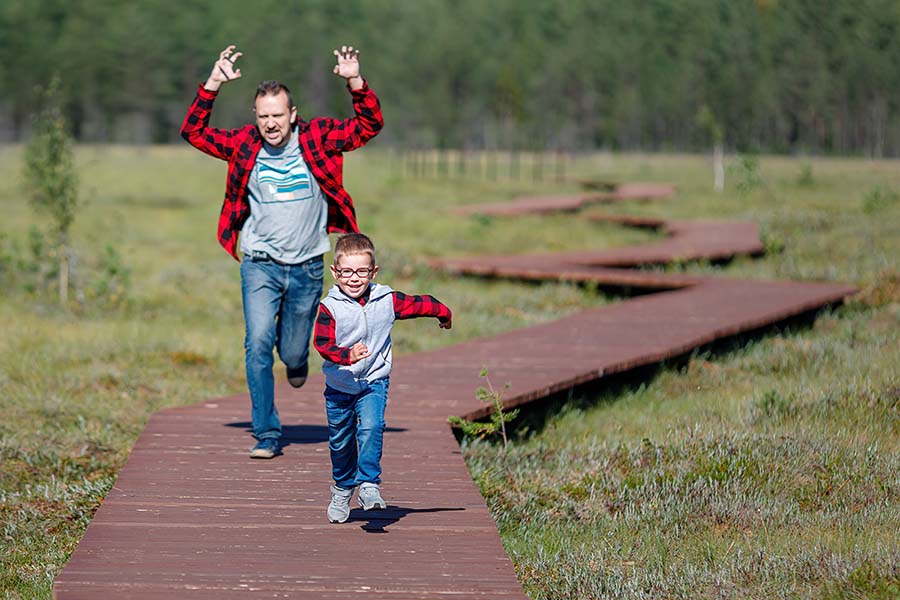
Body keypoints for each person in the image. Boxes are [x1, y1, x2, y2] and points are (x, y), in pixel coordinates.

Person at [180, 45, 383, 459]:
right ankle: (267, 433)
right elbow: (195, 132)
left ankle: (294, 361)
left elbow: (368, 126)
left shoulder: (318, 138)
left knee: (292, 350)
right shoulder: (244, 144)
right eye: (263, 116)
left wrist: (355, 82)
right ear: (255, 118)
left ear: (293, 114)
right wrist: (213, 83)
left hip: (308, 265)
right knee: (256, 342)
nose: (271, 124)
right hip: (260, 264)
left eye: (277, 115)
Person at [313, 233, 452, 523]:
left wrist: (443, 312)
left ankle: (368, 486)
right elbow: (321, 343)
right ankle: (341, 489)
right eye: (347, 272)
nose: (354, 278)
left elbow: (418, 303)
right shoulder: (330, 307)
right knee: (340, 443)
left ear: (373, 271)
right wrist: (346, 355)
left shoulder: (386, 300)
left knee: (373, 427)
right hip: (339, 385)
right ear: (335, 272)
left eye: (362, 271)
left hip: (373, 381)